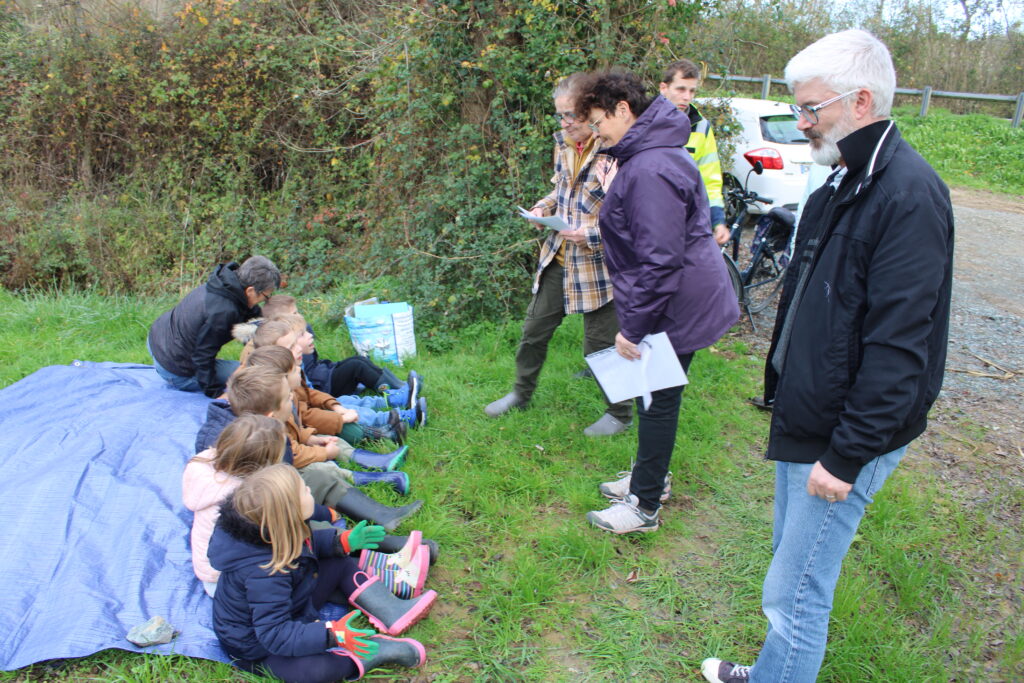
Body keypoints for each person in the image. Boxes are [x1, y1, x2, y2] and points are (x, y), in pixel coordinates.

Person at [701, 29, 954, 683]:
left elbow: (901, 345)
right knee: (788, 564)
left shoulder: (906, 194)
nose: (802, 121)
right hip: (810, 412)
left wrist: (847, 454)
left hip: (846, 433)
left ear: (860, 101)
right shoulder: (844, 179)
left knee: (797, 591)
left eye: (810, 108)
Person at [574, 70, 739, 533]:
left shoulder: (650, 168)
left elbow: (660, 260)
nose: (596, 133)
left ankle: (644, 504)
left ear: (623, 109)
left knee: (657, 398)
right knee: (655, 395)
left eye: (599, 122)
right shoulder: (652, 153)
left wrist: (634, 329)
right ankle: (650, 476)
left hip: (678, 300)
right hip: (677, 293)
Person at [483, 73, 633, 437]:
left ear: (590, 111)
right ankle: (521, 394)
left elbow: (631, 220)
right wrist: (542, 208)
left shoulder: (614, 151)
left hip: (600, 268)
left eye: (571, 115)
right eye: (559, 115)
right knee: (533, 331)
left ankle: (620, 414)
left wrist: (590, 235)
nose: (564, 123)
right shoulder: (563, 145)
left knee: (601, 346)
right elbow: (560, 192)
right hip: (559, 257)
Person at [209, 464, 435, 682]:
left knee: (338, 561)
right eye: (304, 491)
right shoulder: (263, 573)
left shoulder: (275, 530)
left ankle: (391, 608)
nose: (309, 489)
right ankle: (373, 651)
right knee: (313, 672)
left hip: (292, 601)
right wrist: (331, 634)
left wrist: (341, 542)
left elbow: (307, 544)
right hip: (259, 646)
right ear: (289, 512)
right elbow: (275, 635)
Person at [184, 414, 338, 597]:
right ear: (265, 465)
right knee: (312, 561)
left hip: (213, 567)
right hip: (228, 584)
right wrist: (326, 516)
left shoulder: (206, 463)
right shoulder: (248, 499)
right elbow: (292, 516)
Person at [253, 294, 422, 406]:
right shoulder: (285, 342)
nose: (299, 316)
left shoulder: (294, 333)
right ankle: (395, 393)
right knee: (356, 366)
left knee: (358, 360)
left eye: (297, 312)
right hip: (323, 388)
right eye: (294, 314)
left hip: (323, 375)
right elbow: (306, 379)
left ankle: (399, 386)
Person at [148, 256, 280, 397]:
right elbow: (202, 357)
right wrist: (216, 394)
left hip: (158, 340)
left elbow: (249, 314)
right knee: (256, 373)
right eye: (266, 297)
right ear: (250, 291)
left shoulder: (225, 282)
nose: (265, 301)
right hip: (174, 368)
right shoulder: (222, 313)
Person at [658, 60, 730, 245]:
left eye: (692, 91)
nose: (687, 97)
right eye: (681, 89)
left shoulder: (701, 127)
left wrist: (718, 221)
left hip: (683, 224)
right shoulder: (641, 120)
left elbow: (709, 180)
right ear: (663, 88)